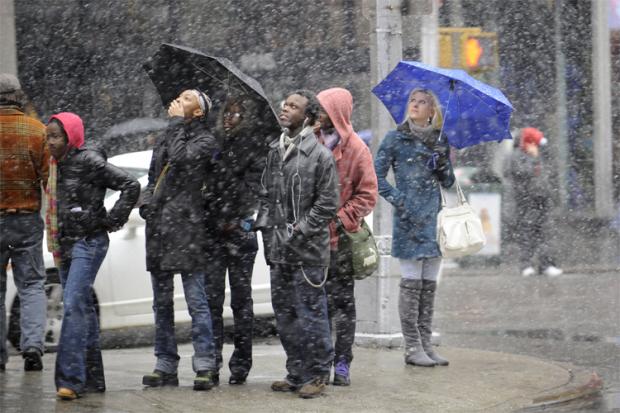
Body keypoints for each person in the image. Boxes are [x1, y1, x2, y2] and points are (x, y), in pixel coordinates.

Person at [45, 112, 140, 400]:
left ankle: (70, 380)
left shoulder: (88, 161)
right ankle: (94, 379)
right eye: (47, 136)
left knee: (73, 304)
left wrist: (112, 220)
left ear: (71, 137)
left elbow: (131, 185)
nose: (49, 142)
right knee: (82, 309)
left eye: (55, 137)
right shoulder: (54, 165)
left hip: (89, 242)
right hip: (66, 243)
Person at [255, 90, 338, 399]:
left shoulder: (320, 156)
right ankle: (296, 371)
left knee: (312, 313)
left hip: (308, 252)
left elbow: (328, 204)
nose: (285, 109)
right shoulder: (274, 151)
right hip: (278, 250)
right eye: (285, 104)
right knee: (285, 313)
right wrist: (265, 226)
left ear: (308, 117)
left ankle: (317, 374)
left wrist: (300, 229)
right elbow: (266, 194)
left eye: (293, 106)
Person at [139, 89, 220, 391]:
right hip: (159, 228)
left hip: (187, 227)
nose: (177, 101)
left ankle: (204, 364)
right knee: (161, 303)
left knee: (196, 300)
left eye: (186, 99)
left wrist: (174, 126)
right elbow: (151, 177)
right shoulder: (166, 136)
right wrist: (147, 203)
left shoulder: (206, 139)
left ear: (199, 112)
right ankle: (165, 364)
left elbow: (183, 159)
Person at [374, 88, 454, 367]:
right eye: (412, 101)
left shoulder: (439, 140)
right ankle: (412, 347)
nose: (416, 106)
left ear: (432, 111)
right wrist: (399, 199)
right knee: (411, 285)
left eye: (423, 103)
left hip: (434, 220)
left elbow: (448, 182)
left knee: (429, 286)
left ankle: (426, 343)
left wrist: (443, 160)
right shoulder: (396, 139)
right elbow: (376, 177)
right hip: (409, 221)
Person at [204, 95, 272, 385]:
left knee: (241, 303)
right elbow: (206, 182)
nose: (230, 119)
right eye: (227, 113)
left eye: (237, 114)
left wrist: (224, 184)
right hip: (213, 232)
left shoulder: (255, 147)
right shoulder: (214, 143)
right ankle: (212, 360)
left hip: (240, 232)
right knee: (212, 300)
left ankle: (241, 363)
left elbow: (250, 190)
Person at [315, 87, 378, 386]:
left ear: (337, 112)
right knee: (318, 304)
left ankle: (342, 362)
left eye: (324, 108)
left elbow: (368, 195)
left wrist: (339, 218)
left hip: (340, 242)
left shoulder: (357, 149)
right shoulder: (310, 141)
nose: (318, 112)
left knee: (342, 305)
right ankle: (320, 361)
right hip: (313, 241)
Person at [0, 73, 49, 372]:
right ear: (18, 96)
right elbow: (49, 181)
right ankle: (31, 346)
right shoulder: (37, 131)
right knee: (31, 285)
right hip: (27, 220)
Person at [509, 127, 562, 277]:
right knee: (527, 233)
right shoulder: (517, 156)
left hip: (542, 200)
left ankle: (546, 265)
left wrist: (551, 194)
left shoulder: (541, 155)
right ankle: (526, 265)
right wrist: (533, 159)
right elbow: (522, 173)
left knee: (545, 233)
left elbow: (548, 176)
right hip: (526, 201)